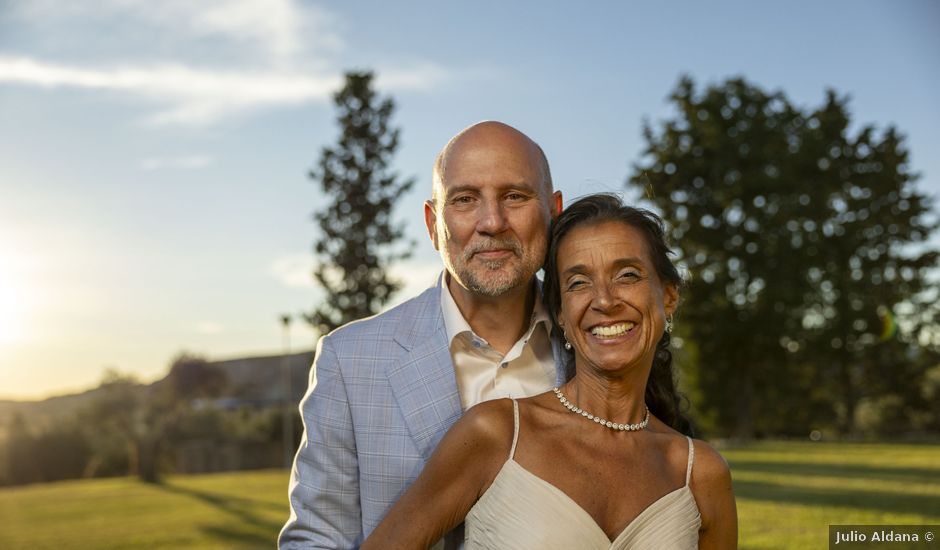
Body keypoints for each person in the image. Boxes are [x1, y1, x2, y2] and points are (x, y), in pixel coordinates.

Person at [361, 194, 738, 549]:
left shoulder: (701, 473)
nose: (605, 300)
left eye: (627, 275)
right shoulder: (496, 434)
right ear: (560, 313)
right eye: (578, 282)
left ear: (668, 296)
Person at [279, 121, 573, 549]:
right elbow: (316, 541)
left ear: (554, 212)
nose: (492, 221)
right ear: (433, 223)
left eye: (514, 196)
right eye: (465, 199)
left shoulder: (596, 346)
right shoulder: (349, 360)